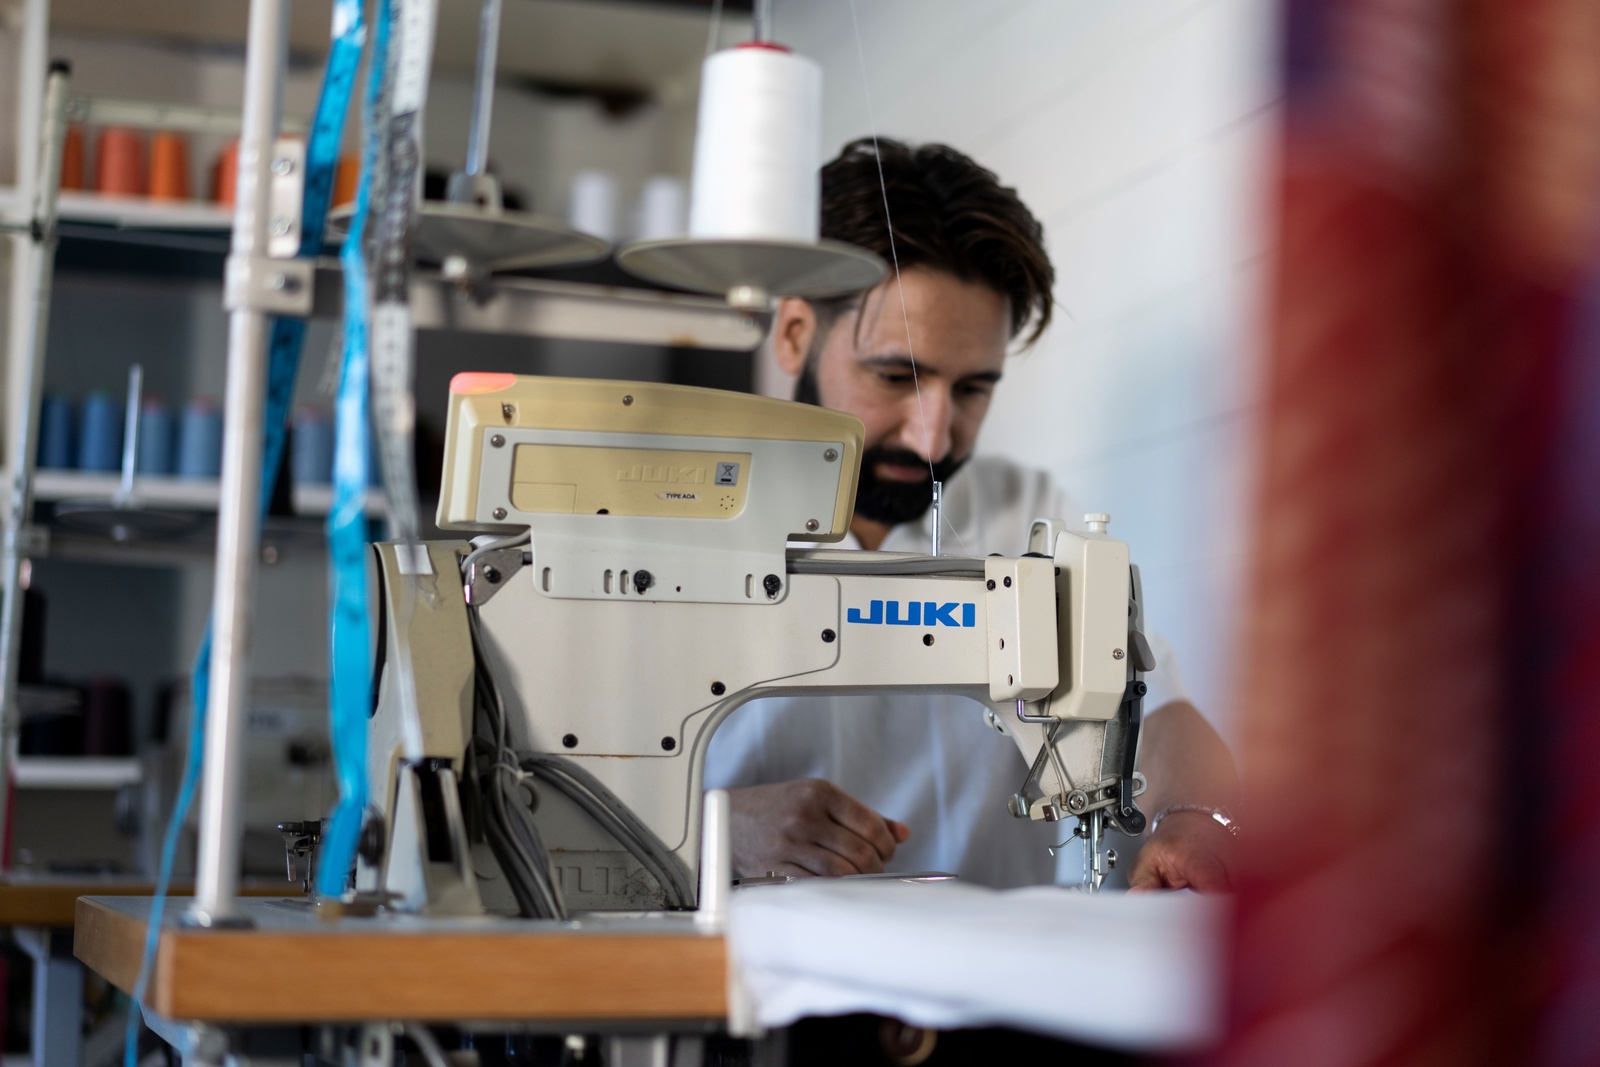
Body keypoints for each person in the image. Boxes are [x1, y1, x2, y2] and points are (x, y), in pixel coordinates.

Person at [703, 138, 1239, 892]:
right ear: (794, 333)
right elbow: (529, 802)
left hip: (983, 982)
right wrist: (720, 830)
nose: (933, 436)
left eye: (972, 389)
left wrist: (1191, 820)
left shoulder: (1026, 512)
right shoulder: (672, 519)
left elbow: (1161, 719)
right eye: (895, 376)